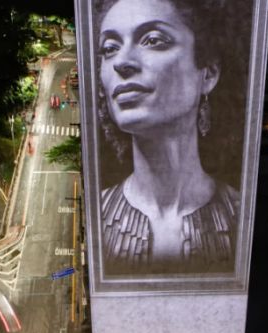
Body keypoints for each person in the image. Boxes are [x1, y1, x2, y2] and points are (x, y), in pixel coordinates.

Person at [94, 0, 245, 274]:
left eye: (153, 40)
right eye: (110, 49)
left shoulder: (244, 218)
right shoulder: (95, 218)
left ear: (208, 73)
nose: (122, 63)